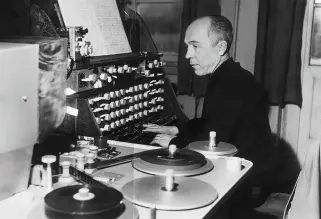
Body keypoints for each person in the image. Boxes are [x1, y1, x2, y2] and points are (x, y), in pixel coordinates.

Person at [143, 15, 298, 217]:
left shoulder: (230, 84)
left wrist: (174, 142)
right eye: (187, 46)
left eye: (195, 46)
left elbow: (214, 141)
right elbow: (213, 121)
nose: (188, 54)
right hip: (249, 173)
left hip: (247, 185)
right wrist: (178, 129)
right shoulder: (229, 75)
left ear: (220, 48)